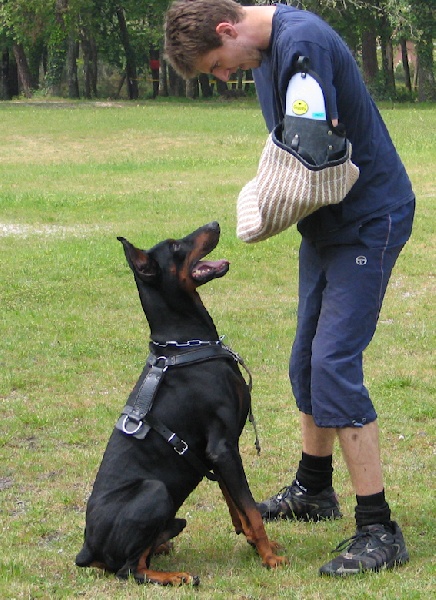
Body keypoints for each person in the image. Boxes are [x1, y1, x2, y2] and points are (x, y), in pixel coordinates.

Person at [164, 0, 415, 577]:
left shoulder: (302, 46)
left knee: (333, 365)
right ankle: (313, 490)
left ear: (227, 30)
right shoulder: (270, 51)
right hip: (327, 224)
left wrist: (257, 213)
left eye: (217, 65)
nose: (225, 78)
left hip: (368, 219)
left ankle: (379, 528)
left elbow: (314, 154)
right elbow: (290, 151)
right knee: (305, 361)